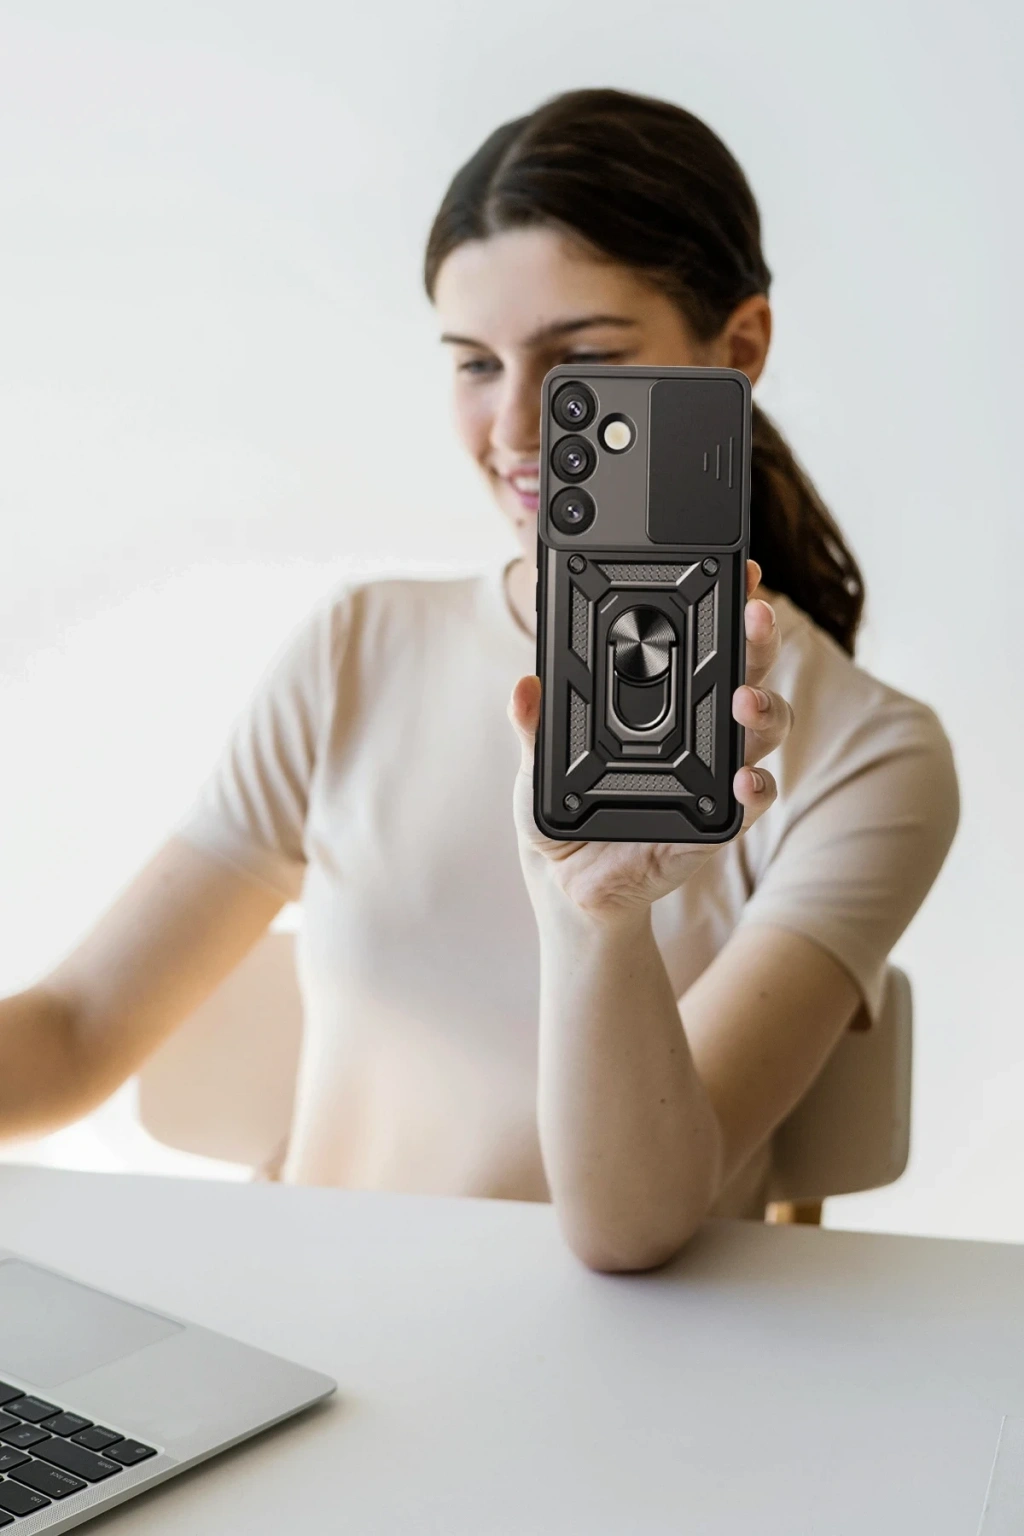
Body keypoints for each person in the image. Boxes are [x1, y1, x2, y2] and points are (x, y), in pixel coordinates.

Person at [0, 87, 959, 1273]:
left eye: (582, 363)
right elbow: (76, 1031)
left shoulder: (867, 756)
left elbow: (632, 1224)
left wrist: (595, 918)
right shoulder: (356, 649)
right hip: (309, 1323)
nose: (513, 428)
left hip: (620, 1367)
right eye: (473, 363)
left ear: (739, 349)